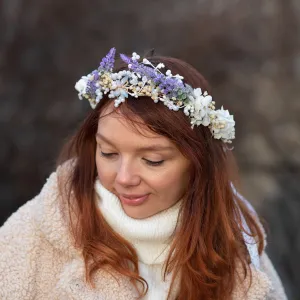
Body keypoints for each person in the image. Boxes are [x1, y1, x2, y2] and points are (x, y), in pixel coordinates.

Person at [0, 48, 287, 300]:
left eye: (152, 160)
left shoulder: (237, 238)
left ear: (197, 163)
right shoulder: (30, 238)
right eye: (109, 153)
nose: (124, 178)